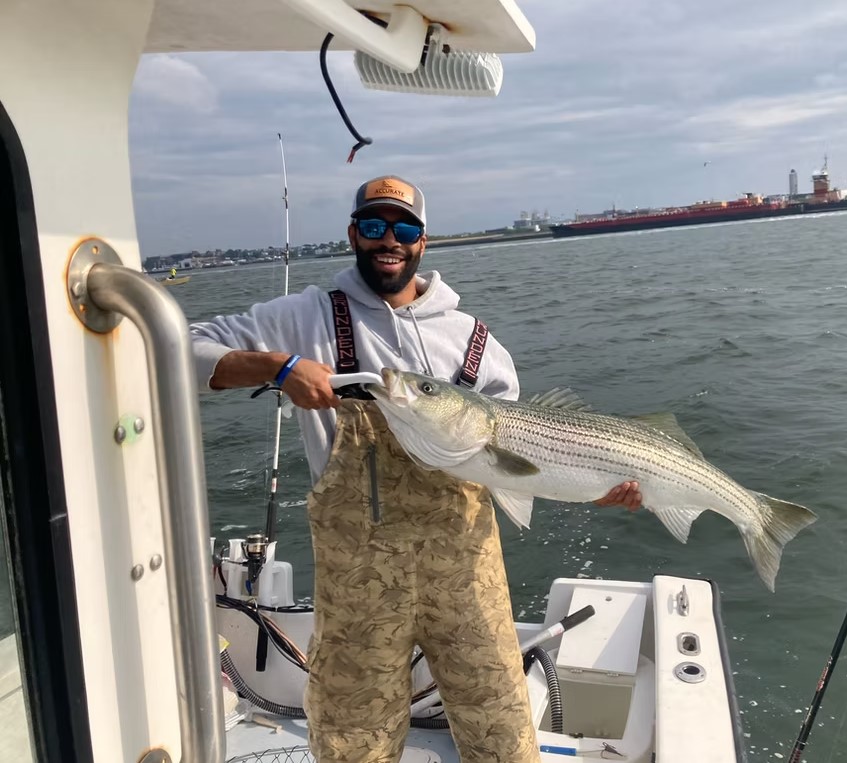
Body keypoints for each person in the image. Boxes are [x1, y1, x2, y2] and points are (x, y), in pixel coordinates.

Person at [190, 175, 642, 763]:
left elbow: (525, 464)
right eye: (374, 226)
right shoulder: (306, 317)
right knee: (354, 737)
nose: (389, 240)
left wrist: (596, 485)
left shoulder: (475, 341)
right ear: (354, 233)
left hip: (466, 571)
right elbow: (181, 346)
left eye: (403, 228)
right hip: (359, 580)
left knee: (501, 724)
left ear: (422, 241)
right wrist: (277, 368)